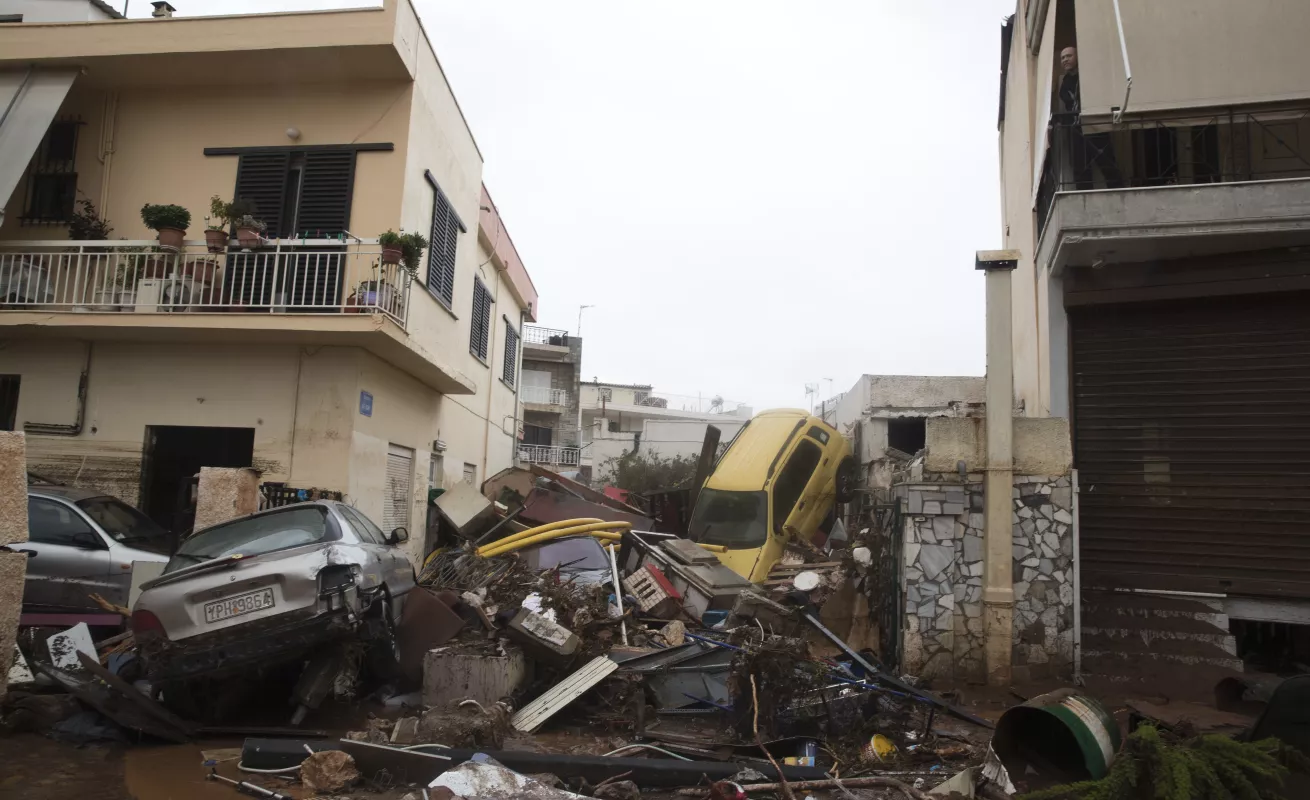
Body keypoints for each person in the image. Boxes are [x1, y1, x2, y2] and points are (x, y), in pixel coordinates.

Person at [1057, 46, 1124, 190]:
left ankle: (1118, 191)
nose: (1065, 60)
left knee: (1106, 161)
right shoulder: (1065, 83)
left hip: (1094, 125)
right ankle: (1084, 197)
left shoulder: (1088, 77)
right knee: (1079, 166)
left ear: (1077, 57)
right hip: (1076, 129)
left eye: (1068, 56)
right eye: (1062, 58)